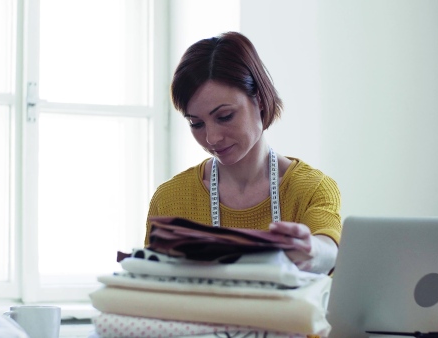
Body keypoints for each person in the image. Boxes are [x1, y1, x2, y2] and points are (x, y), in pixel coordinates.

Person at [145, 31, 341, 275]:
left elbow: (329, 252)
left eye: (224, 116)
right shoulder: (170, 199)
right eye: (196, 123)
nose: (211, 138)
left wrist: (310, 249)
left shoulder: (310, 189)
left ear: (258, 99)